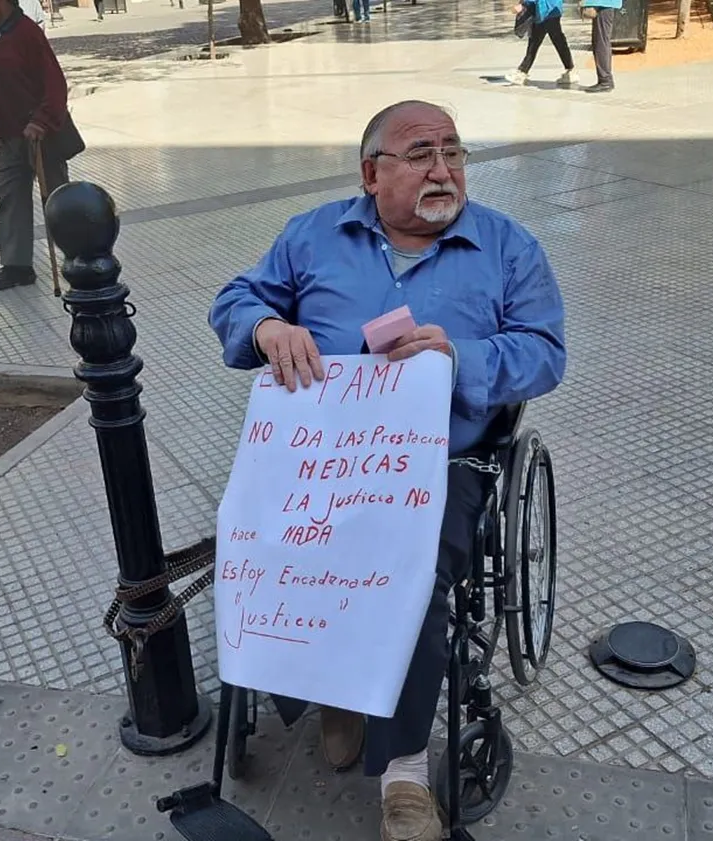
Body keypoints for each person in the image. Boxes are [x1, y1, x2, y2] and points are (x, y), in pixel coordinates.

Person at [209, 100, 566, 841]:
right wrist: (267, 327)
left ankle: (402, 769)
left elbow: (545, 352)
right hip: (323, 451)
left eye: (454, 152)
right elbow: (235, 301)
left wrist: (463, 358)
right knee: (260, 540)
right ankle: (332, 693)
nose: (444, 169)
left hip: (443, 457)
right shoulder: (313, 235)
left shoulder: (507, 247)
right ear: (371, 173)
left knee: (407, 565)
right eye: (421, 154)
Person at [0, 0, 70, 291]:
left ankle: (79, 257)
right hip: (9, 134)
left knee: (57, 200)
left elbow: (55, 85)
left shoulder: (26, 32)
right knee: (10, 195)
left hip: (39, 134)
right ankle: (17, 266)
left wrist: (41, 121)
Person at [506, 0, 578, 89]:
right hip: (548, 11)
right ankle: (570, 70)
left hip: (546, 10)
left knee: (537, 43)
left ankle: (522, 72)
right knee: (556, 42)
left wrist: (524, 4)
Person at [581, 0, 622, 92]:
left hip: (602, 4)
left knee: (601, 42)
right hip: (603, 4)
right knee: (600, 41)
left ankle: (605, 81)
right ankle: (605, 80)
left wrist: (587, 3)